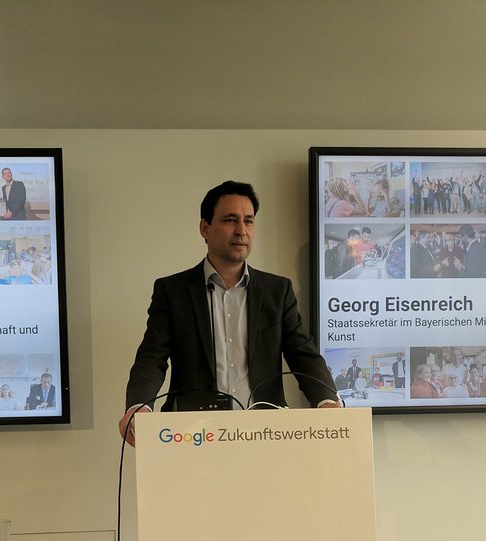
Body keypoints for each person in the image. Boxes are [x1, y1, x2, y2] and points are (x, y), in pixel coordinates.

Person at [119, 180, 338, 445]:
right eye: (230, 220)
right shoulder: (172, 291)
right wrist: (138, 406)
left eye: (248, 221)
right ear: (205, 228)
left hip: (265, 434)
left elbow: (302, 353)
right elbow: (152, 357)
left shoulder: (277, 291)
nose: (241, 230)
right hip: (193, 435)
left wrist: (327, 399)